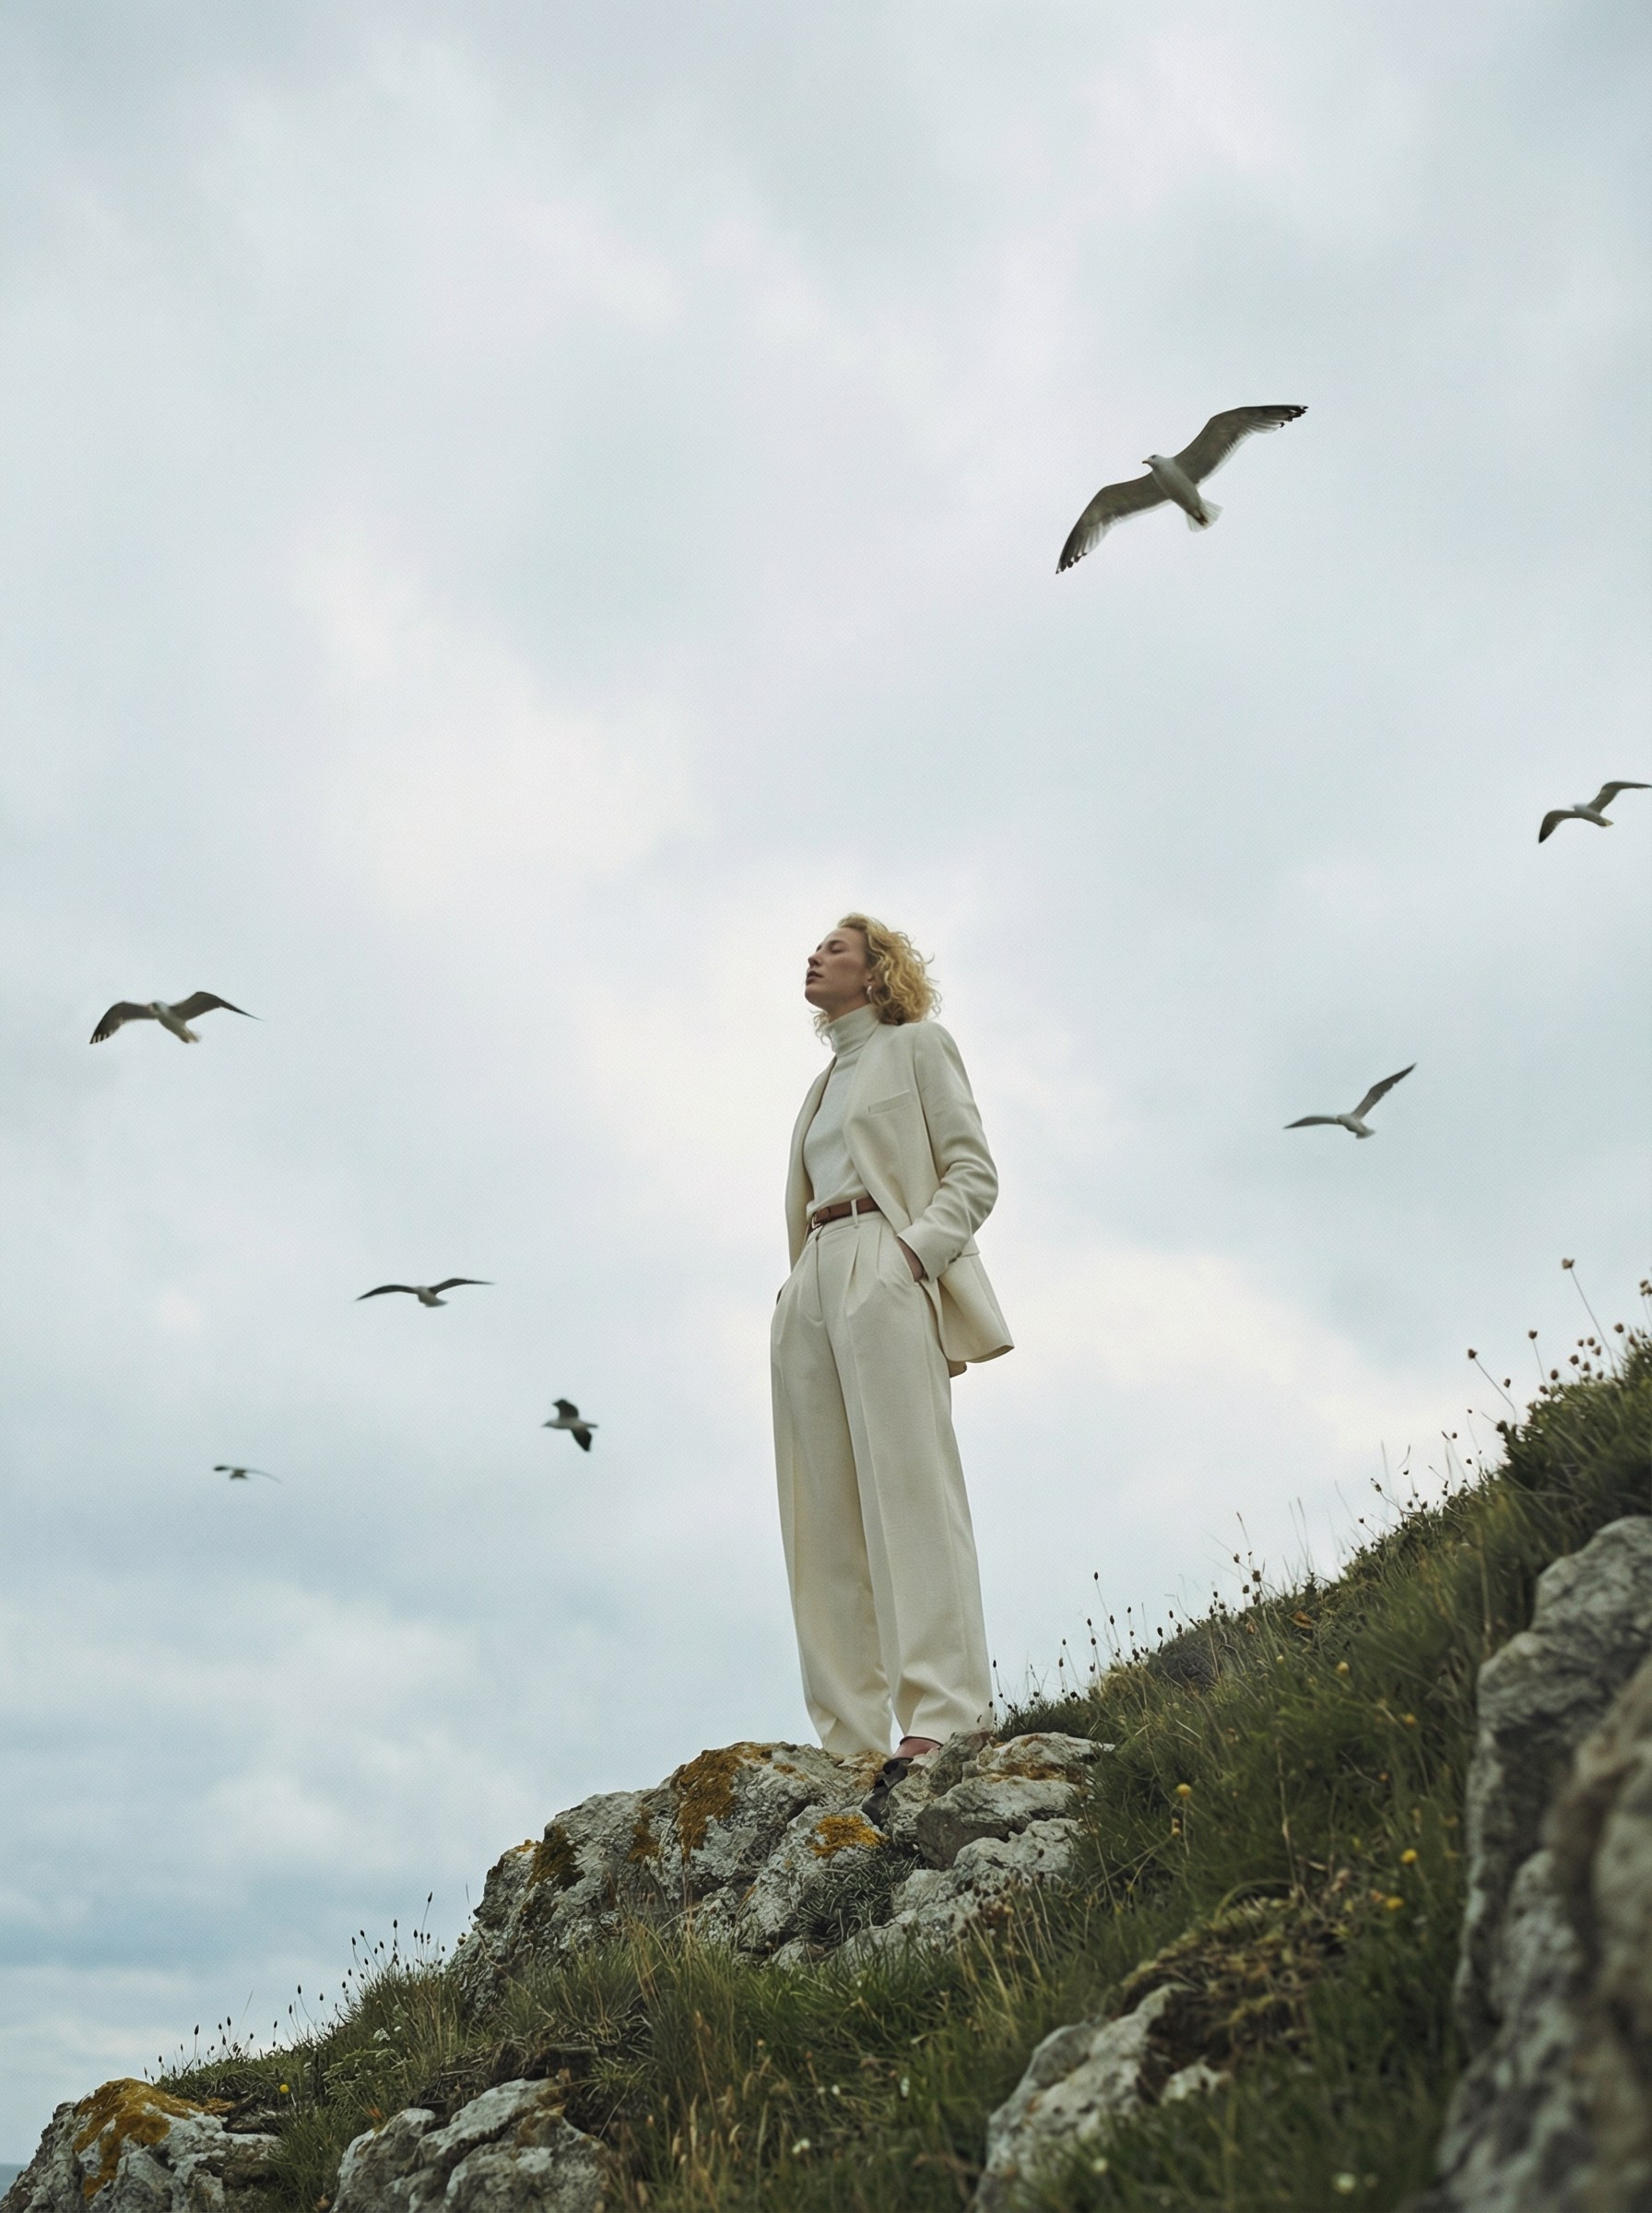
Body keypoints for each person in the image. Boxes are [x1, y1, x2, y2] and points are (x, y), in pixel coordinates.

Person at [771, 913, 1012, 1787]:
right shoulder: (821, 1084)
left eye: (834, 947)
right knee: (819, 1514)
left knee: (910, 1490)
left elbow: (973, 1172)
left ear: (877, 972)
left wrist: (912, 1257)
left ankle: (946, 1712)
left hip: (884, 1257)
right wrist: (797, 1292)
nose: (814, 955)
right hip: (811, 1278)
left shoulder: (918, 1047)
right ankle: (848, 1735)